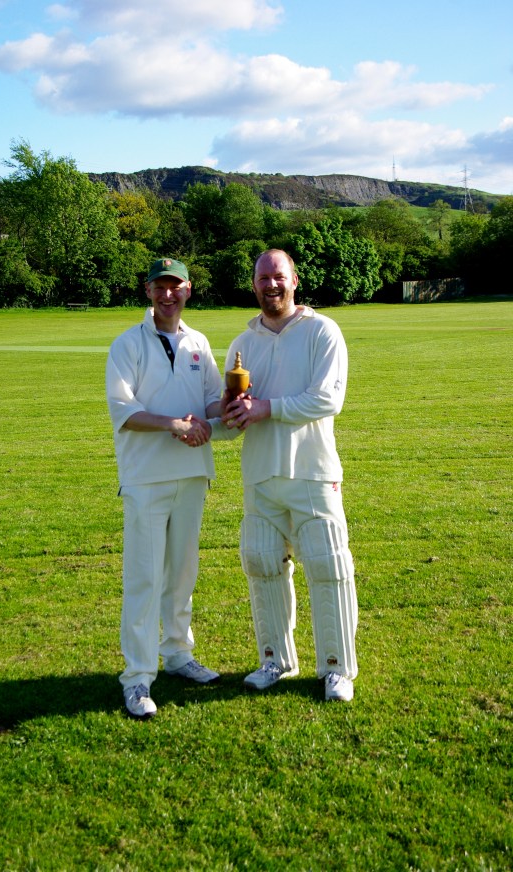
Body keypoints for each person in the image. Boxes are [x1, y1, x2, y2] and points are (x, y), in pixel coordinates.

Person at [221, 249, 358, 701]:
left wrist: (267, 408)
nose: (271, 285)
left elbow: (326, 399)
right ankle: (275, 660)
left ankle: (336, 668)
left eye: (278, 277)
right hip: (260, 474)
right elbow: (234, 413)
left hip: (313, 472)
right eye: (263, 278)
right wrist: (221, 418)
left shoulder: (322, 331)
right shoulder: (244, 343)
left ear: (294, 280)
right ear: (254, 284)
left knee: (327, 566)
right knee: (262, 563)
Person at [106, 257, 223, 719]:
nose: (167, 294)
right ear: (148, 290)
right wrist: (174, 424)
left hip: (193, 473)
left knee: (181, 574)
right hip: (145, 478)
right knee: (145, 578)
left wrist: (222, 413)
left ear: (188, 290)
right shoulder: (127, 344)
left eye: (175, 286)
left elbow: (212, 397)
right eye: (160, 286)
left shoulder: (199, 342)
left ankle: (178, 654)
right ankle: (137, 677)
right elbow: (125, 411)